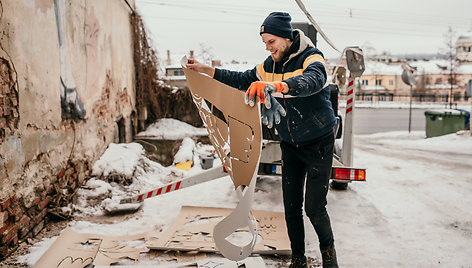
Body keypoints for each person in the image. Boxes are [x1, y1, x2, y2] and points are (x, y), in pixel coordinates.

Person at [187, 11, 338, 268]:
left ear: (286, 37)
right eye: (265, 43)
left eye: (271, 42)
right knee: (291, 207)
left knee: (314, 207)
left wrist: (277, 87)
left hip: (318, 142)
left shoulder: (312, 57)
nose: (268, 48)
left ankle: (329, 257)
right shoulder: (268, 66)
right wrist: (205, 70)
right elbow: (242, 78)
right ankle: (298, 259)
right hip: (290, 143)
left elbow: (313, 80)